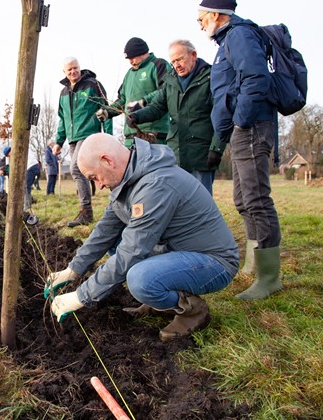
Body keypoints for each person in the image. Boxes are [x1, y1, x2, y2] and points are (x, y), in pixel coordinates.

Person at [44, 133, 239, 340]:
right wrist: (73, 270)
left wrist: (80, 296)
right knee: (116, 243)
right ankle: (160, 300)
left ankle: (193, 310)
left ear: (107, 161)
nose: (98, 185)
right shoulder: (128, 181)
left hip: (213, 262)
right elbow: (105, 230)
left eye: (94, 177)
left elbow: (132, 252)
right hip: (178, 251)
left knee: (140, 278)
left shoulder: (155, 184)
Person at [197, 0, 282, 300]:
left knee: (257, 199)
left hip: (251, 127)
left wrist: (241, 120)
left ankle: (269, 277)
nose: (200, 23)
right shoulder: (227, 41)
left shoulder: (240, 35)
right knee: (244, 200)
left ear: (217, 14)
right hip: (241, 129)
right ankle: (252, 263)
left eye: (201, 17)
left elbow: (256, 78)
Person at [127, 39, 226, 195]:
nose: (176, 65)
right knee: (178, 201)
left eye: (180, 59)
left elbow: (222, 116)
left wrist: (217, 149)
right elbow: (158, 106)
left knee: (201, 200)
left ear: (193, 55)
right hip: (176, 153)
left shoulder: (211, 79)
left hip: (201, 153)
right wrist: (137, 116)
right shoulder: (170, 80)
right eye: (173, 61)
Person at [54, 57, 112, 227]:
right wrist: (59, 141)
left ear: (80, 68)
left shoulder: (93, 85)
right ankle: (109, 204)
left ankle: (86, 211)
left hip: (89, 134)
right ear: (64, 72)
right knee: (91, 172)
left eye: (76, 68)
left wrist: (108, 136)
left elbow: (106, 110)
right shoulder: (64, 93)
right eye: (69, 69)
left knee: (75, 168)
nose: (73, 72)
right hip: (73, 138)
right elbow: (62, 119)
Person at [96, 37, 171, 147]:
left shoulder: (158, 65)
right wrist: (108, 111)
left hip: (153, 135)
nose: (131, 61)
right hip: (130, 137)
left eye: (133, 57)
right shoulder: (129, 74)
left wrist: (143, 102)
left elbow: (165, 91)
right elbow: (122, 100)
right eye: (128, 59)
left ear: (142, 52)